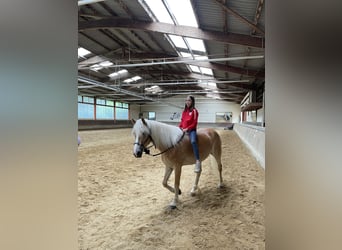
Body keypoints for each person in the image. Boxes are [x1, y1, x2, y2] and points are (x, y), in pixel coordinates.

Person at [179, 95, 201, 173]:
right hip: (183, 130)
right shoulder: (184, 111)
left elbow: (194, 123)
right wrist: (179, 127)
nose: (187, 102)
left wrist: (187, 129)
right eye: (186, 100)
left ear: (192, 102)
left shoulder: (195, 111)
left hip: (191, 130)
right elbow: (182, 121)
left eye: (189, 100)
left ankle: (198, 161)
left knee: (193, 141)